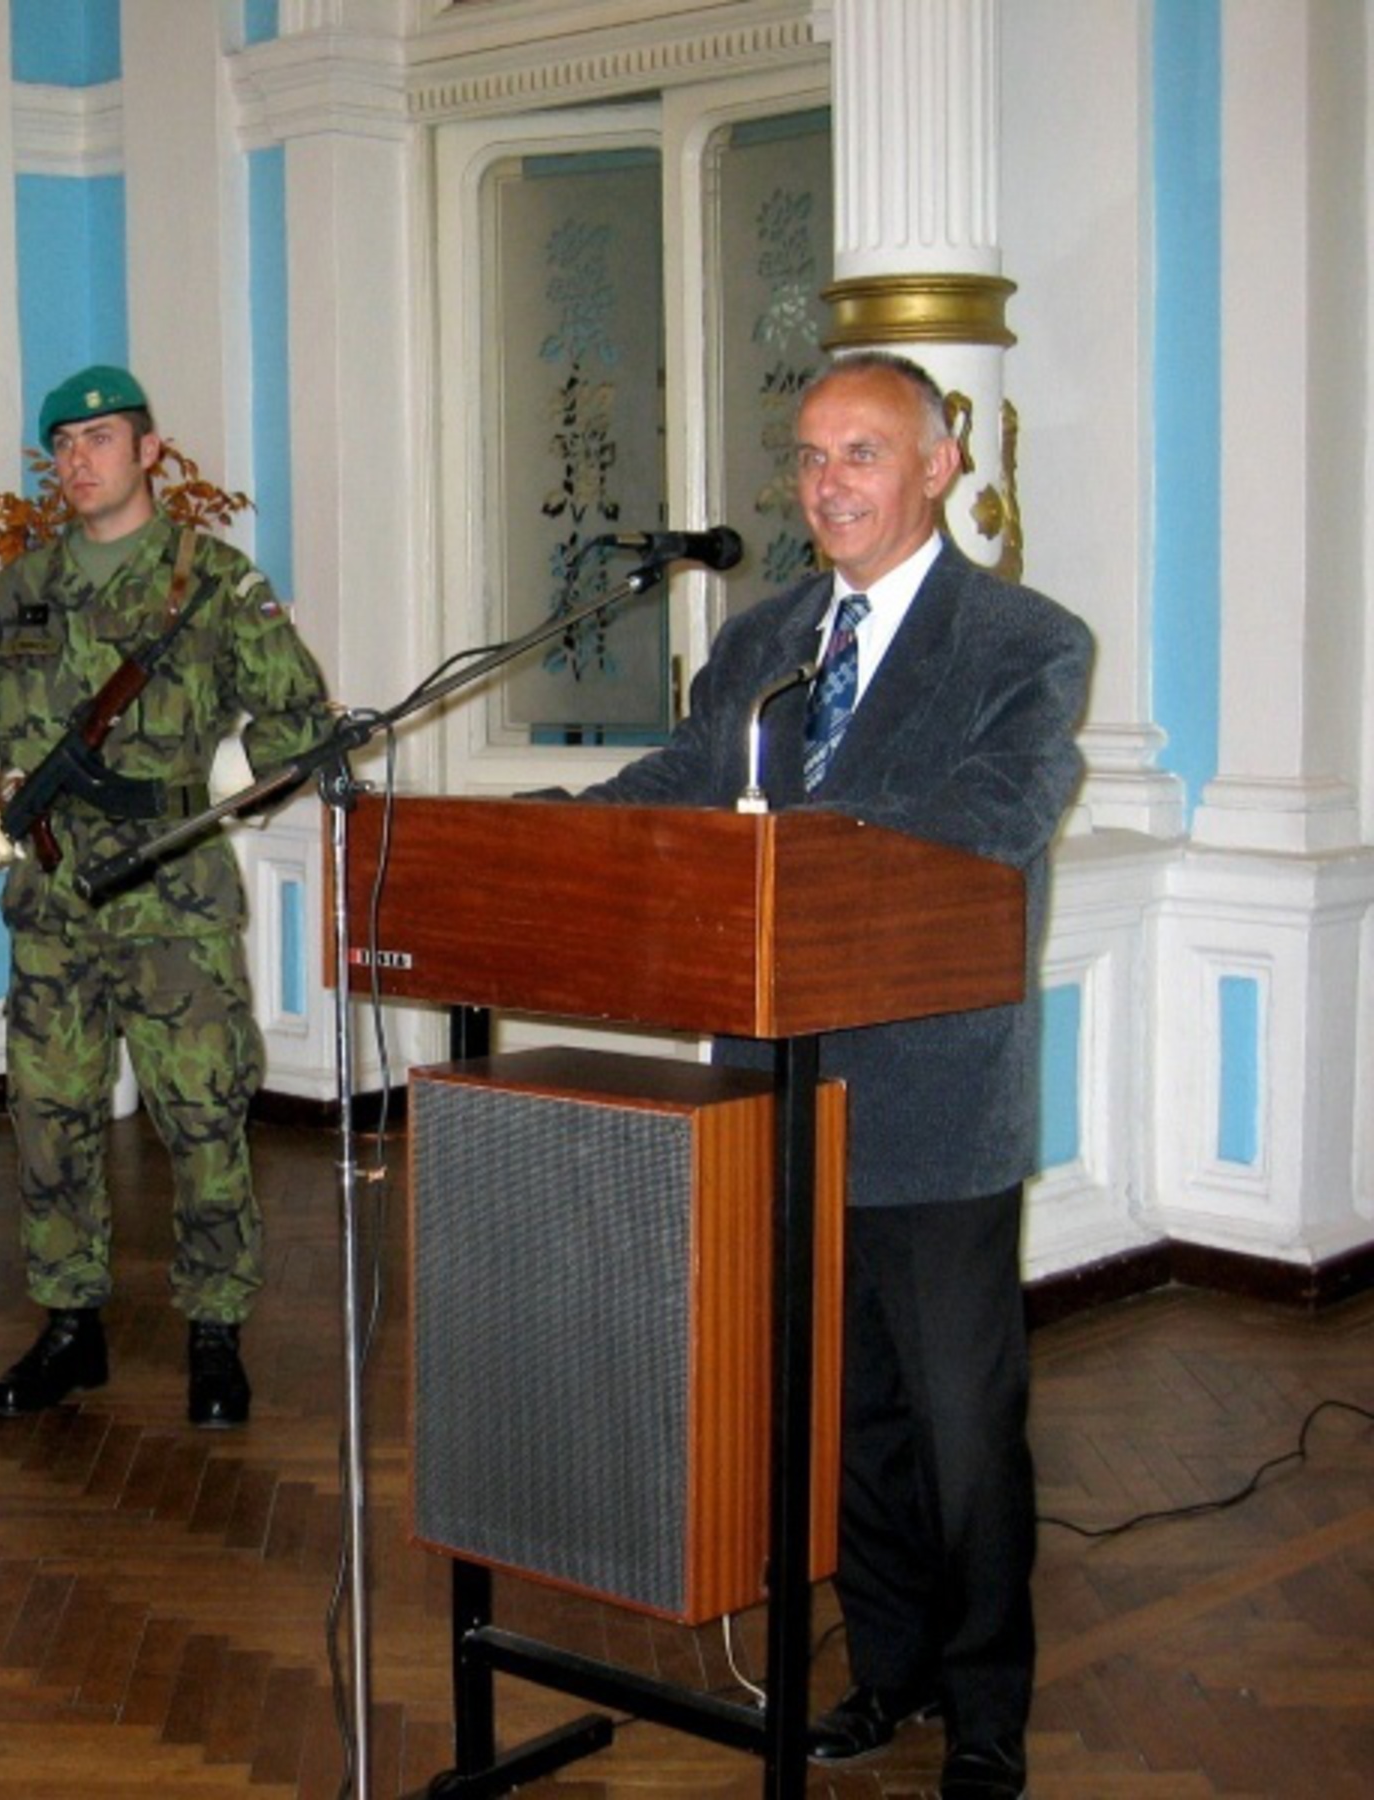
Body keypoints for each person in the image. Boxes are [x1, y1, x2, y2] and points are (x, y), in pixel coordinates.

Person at [574, 352, 1090, 1800]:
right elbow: (689, 779)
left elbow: (992, 817)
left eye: (862, 452)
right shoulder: (764, 637)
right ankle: (890, 1670)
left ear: (938, 464)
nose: (828, 483)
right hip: (779, 1084)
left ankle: (986, 1712)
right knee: (843, 1416)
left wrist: (786, 851)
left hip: (934, 1093)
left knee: (963, 1427)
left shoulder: (1028, 640)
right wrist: (565, 833)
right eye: (810, 456)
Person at [0, 364, 331, 1429]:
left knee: (202, 1115)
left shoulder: (215, 580)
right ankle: (70, 1324)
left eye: (102, 438)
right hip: (53, 899)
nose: (79, 461)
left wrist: (214, 789)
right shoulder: (21, 587)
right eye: (63, 445)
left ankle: (215, 1329)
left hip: (173, 896)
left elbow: (300, 722)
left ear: (150, 450)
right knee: (50, 1117)